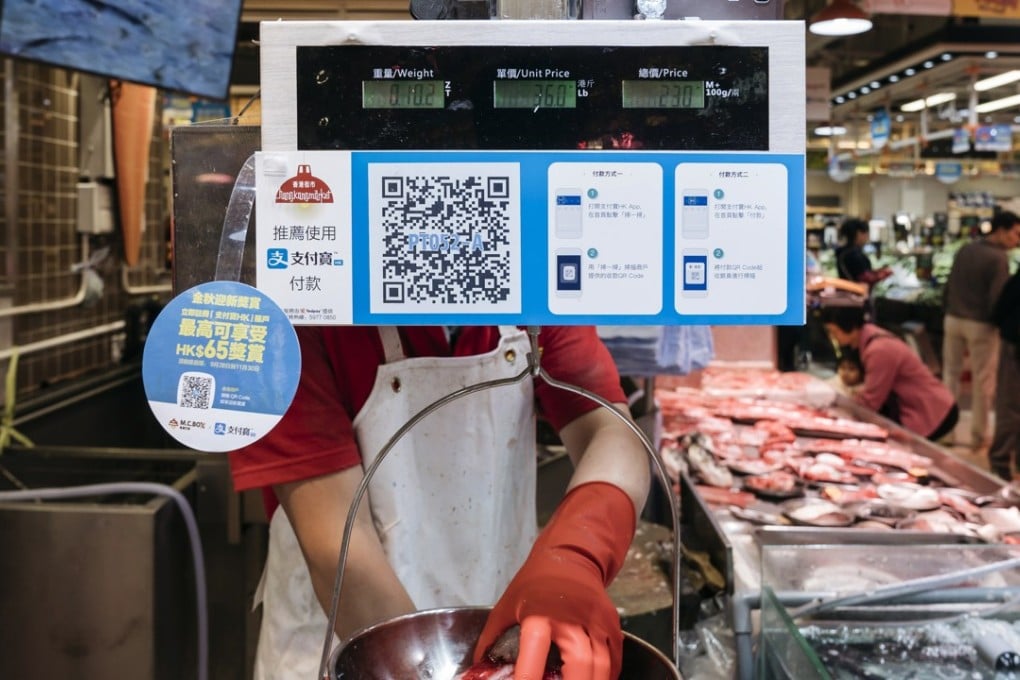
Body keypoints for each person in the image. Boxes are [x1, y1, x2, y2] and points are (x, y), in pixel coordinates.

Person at [227, 325, 651, 680]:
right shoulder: (296, 317)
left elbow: (612, 433)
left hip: (496, 629)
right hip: (345, 645)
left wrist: (576, 554)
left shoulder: (527, 285)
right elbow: (340, 550)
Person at [819, 304, 958, 441]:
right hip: (926, 407)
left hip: (933, 412)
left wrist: (839, 409)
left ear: (850, 326)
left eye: (834, 331)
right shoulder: (869, 338)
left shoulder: (879, 350)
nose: (833, 337)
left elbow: (871, 402)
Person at [942, 209, 1020, 449]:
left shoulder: (966, 249)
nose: (1017, 240)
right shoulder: (998, 259)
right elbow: (997, 298)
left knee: (950, 377)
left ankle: (946, 432)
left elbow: (948, 285)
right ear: (1001, 230)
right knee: (983, 383)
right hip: (981, 325)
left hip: (953, 320)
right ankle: (978, 437)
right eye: (1016, 234)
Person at [989, 268, 1020, 480]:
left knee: (1010, 405)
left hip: (1014, 342)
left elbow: (999, 311)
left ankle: (1002, 463)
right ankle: (1000, 462)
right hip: (1016, 344)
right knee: (1010, 406)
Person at [834, 217, 892, 288]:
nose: (867, 237)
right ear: (858, 233)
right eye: (866, 233)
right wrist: (885, 273)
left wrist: (879, 271)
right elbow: (864, 278)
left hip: (848, 293)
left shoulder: (843, 252)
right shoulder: (853, 254)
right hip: (856, 295)